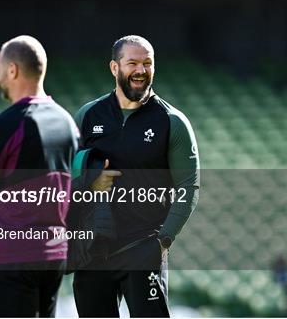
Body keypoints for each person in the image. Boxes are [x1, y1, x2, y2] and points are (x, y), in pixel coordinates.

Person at [70, 35, 200, 317]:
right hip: (92, 250)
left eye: (147, 63)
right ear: (115, 68)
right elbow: (65, 174)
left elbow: (189, 186)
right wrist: (90, 180)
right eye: (132, 63)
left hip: (142, 248)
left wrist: (163, 240)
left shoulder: (172, 122)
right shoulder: (88, 115)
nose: (141, 70)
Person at [0, 35, 79, 317]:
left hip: (13, 258)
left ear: (12, 70)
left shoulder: (7, 123)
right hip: (53, 257)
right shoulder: (68, 123)